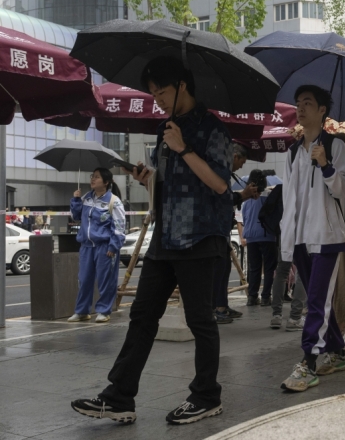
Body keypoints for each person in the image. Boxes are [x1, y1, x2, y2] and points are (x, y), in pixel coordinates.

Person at [71, 56, 234, 425]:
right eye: (152, 93)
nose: (157, 98)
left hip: (200, 236)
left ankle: (206, 395)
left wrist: (183, 148)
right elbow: (173, 183)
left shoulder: (213, 129)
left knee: (200, 320)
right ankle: (119, 397)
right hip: (165, 237)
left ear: (182, 86)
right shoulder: (166, 127)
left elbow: (220, 184)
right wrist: (149, 179)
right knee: (142, 316)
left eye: (161, 91)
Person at [279, 85, 345, 392]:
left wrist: (326, 165)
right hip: (299, 238)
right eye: (298, 103)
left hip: (327, 236)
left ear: (322, 110)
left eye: (308, 103)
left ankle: (308, 362)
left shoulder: (336, 145)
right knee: (318, 301)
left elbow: (343, 190)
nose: (301, 108)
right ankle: (338, 352)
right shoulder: (293, 151)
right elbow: (288, 197)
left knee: (317, 301)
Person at [67, 168, 125, 324]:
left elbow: (119, 227)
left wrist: (113, 247)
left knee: (105, 280)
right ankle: (82, 311)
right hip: (86, 247)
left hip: (105, 247)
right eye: (92, 176)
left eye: (97, 177)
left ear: (106, 182)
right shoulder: (86, 198)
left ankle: (104, 311)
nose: (93, 179)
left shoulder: (114, 201)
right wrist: (76, 201)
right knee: (84, 279)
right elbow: (76, 217)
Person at [213, 142, 258, 324]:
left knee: (224, 269)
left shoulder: (225, 174)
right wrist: (242, 195)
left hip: (222, 229)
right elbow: (220, 199)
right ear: (235, 157)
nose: (241, 166)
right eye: (242, 162)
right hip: (213, 230)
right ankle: (217, 309)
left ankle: (222, 305)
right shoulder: (217, 172)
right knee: (218, 270)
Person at [242, 169, 278, 307]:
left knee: (254, 267)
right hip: (267, 235)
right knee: (269, 267)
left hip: (251, 235)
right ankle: (265, 297)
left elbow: (245, 218)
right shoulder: (267, 197)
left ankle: (252, 296)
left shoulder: (246, 200)